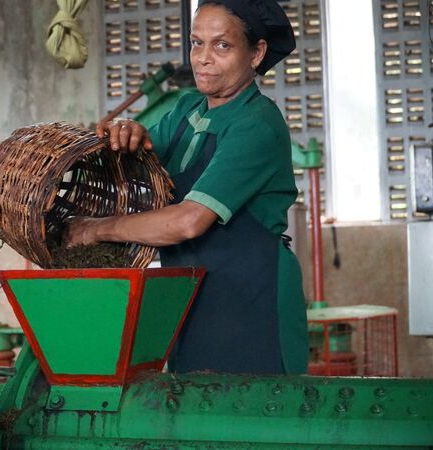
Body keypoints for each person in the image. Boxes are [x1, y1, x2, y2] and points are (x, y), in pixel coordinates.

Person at [66, 0, 308, 375]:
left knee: (254, 419)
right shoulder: (186, 110)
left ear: (256, 52)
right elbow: (139, 165)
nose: (203, 58)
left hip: (252, 304)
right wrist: (127, 134)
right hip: (192, 300)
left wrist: (96, 230)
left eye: (222, 45)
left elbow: (188, 222)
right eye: (197, 43)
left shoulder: (257, 123)